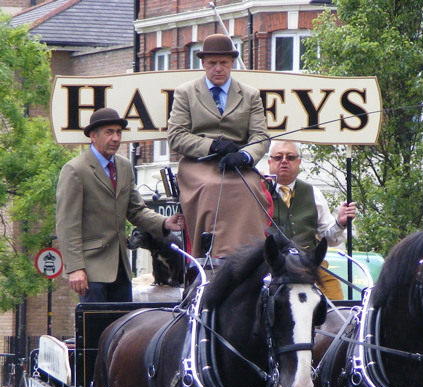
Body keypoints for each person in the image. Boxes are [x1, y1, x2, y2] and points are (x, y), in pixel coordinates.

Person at [56, 108, 184, 303]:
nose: (115, 138)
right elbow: (67, 224)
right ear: (93, 136)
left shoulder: (124, 166)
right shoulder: (75, 170)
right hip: (91, 270)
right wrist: (75, 268)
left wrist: (165, 223)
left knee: (120, 328)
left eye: (118, 132)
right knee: (95, 329)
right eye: (109, 132)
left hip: (121, 270)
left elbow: (136, 210)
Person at [166, 34, 270, 259]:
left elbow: (260, 136)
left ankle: (251, 255)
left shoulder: (250, 95)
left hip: (237, 165)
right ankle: (211, 254)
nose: (218, 69)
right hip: (198, 164)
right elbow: (176, 136)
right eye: (212, 63)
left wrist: (244, 157)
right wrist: (212, 146)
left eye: (223, 63)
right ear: (203, 64)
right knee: (212, 187)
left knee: (250, 188)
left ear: (232, 63)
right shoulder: (185, 93)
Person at [267, 140, 356, 300]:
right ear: (269, 162)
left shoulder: (313, 193)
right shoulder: (258, 192)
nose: (284, 161)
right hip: (271, 269)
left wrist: (340, 223)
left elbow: (330, 238)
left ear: (299, 162)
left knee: (339, 308)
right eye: (278, 157)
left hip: (310, 267)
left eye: (291, 157)